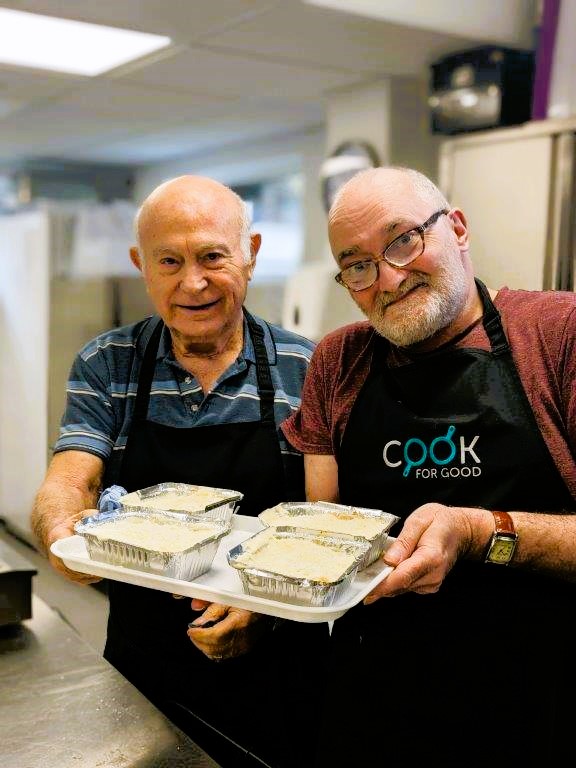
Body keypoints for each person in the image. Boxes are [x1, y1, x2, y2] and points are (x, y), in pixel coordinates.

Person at [282, 166, 576, 767]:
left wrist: (475, 532)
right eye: (358, 264)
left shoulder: (558, 333)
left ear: (458, 228)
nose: (387, 278)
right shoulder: (339, 359)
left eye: (402, 240)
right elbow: (320, 528)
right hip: (378, 694)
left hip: (541, 697)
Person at [31, 175, 328, 768]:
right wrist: (62, 532)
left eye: (213, 256)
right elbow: (72, 477)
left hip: (278, 657)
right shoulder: (107, 362)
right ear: (142, 265)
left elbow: (324, 520)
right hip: (145, 658)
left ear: (251, 254)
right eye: (170, 260)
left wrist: (264, 609)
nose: (192, 282)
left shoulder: (309, 366)